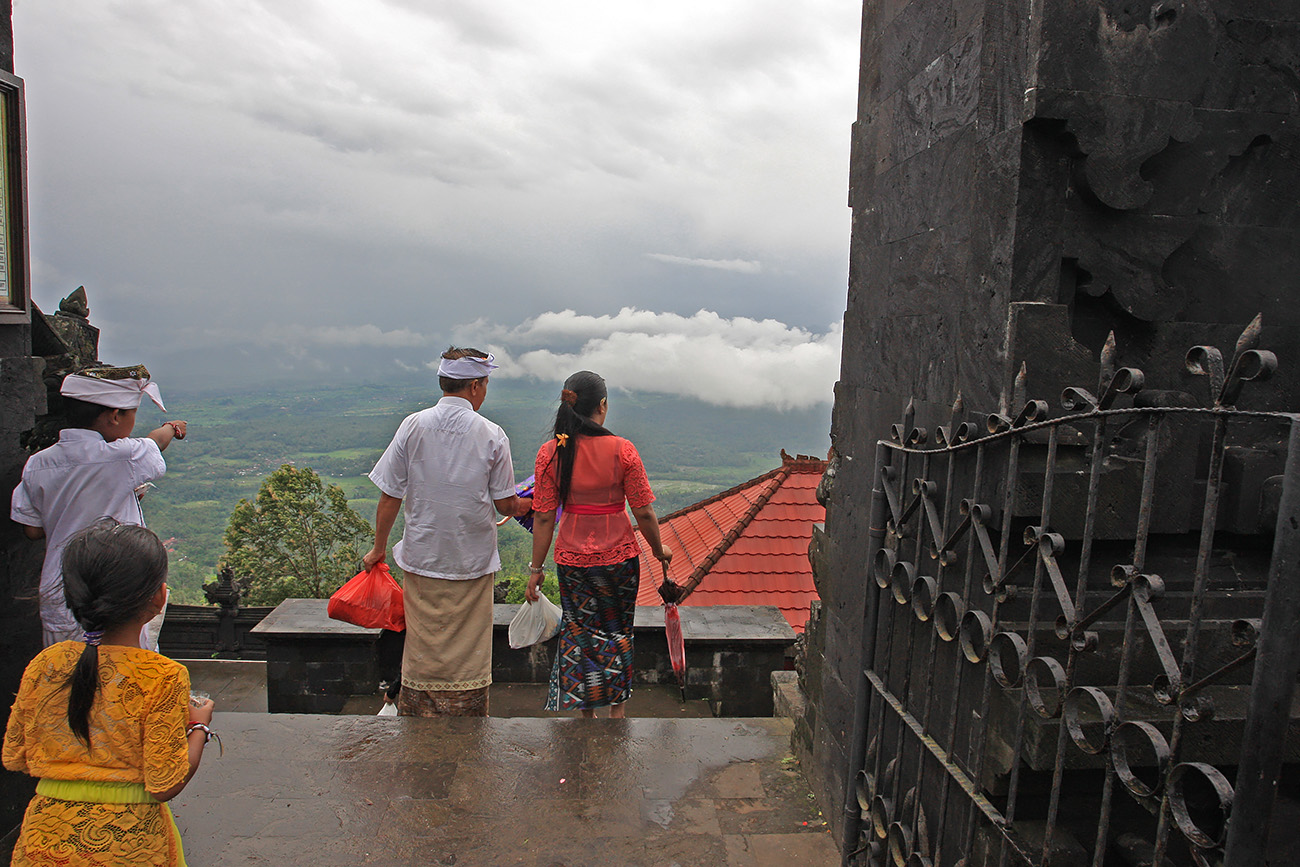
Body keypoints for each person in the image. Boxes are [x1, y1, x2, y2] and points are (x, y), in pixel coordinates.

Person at [3, 519, 216, 867]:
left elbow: (16, 755)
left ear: (75, 597)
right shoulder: (161, 676)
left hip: (43, 839)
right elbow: (165, 783)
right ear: (159, 598)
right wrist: (199, 728)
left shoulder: (47, 664)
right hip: (128, 843)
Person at [362, 347, 532, 717]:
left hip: (422, 558)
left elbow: (390, 494)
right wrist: (528, 504)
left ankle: (418, 714)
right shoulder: (492, 435)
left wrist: (378, 549)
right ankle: (466, 716)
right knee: (468, 656)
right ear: (474, 386)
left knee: (422, 650)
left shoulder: (413, 425)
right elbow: (505, 504)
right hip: (470, 562)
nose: (485, 391)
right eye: (485, 384)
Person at [526, 370, 672, 719]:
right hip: (619, 556)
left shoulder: (551, 452)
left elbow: (544, 517)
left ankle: (586, 712)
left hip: (572, 558)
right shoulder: (623, 450)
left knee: (579, 633)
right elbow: (644, 511)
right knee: (617, 631)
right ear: (602, 406)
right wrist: (657, 549)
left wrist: (536, 570)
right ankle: (617, 712)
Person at [11, 365, 188, 648]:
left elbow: (32, 530)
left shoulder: (38, 463)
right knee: (124, 675)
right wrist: (172, 426)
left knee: (67, 675)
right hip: (116, 588)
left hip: (62, 589)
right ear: (115, 416)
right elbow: (155, 442)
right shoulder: (123, 457)